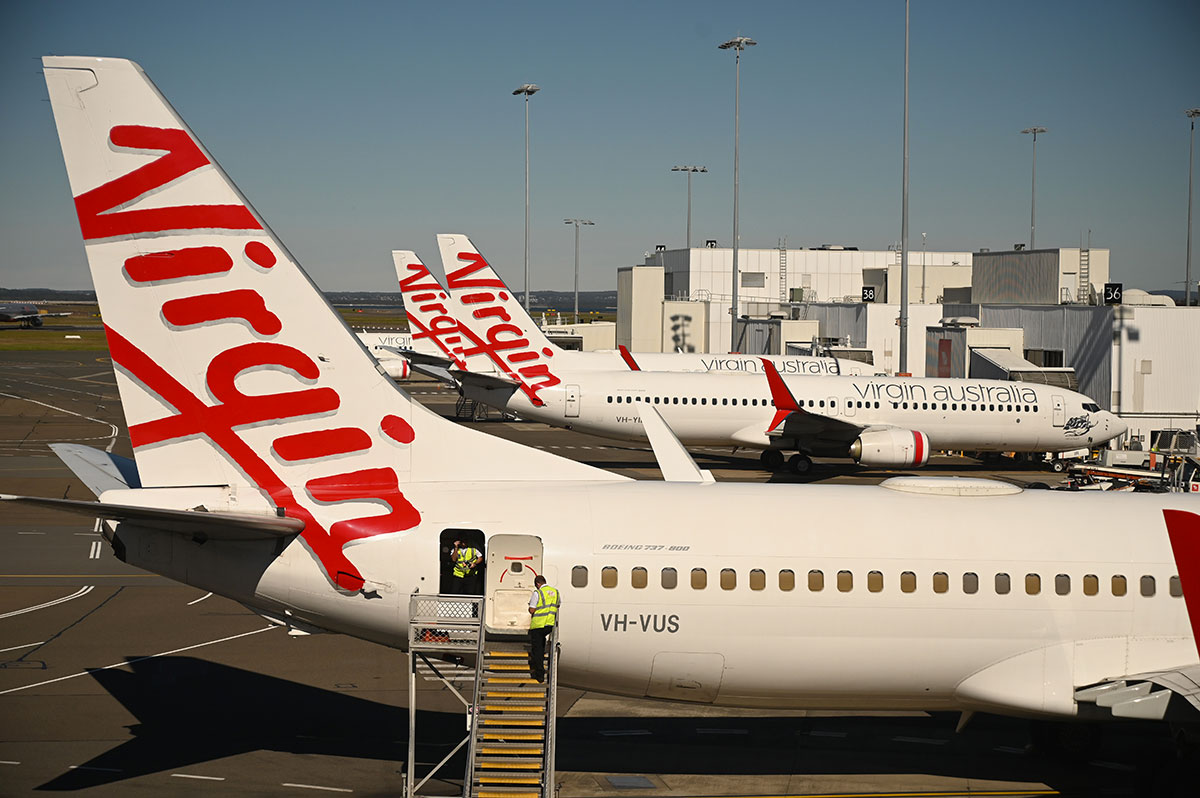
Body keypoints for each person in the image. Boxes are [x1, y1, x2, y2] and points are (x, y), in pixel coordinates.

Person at [527, 575, 559, 683]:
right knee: (542, 645)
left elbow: (532, 610)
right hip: (549, 625)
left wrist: (530, 608)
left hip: (538, 625)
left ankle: (539, 674)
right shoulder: (555, 592)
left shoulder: (538, 593)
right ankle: (540, 668)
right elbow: (557, 605)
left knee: (537, 651)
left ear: (537, 584)